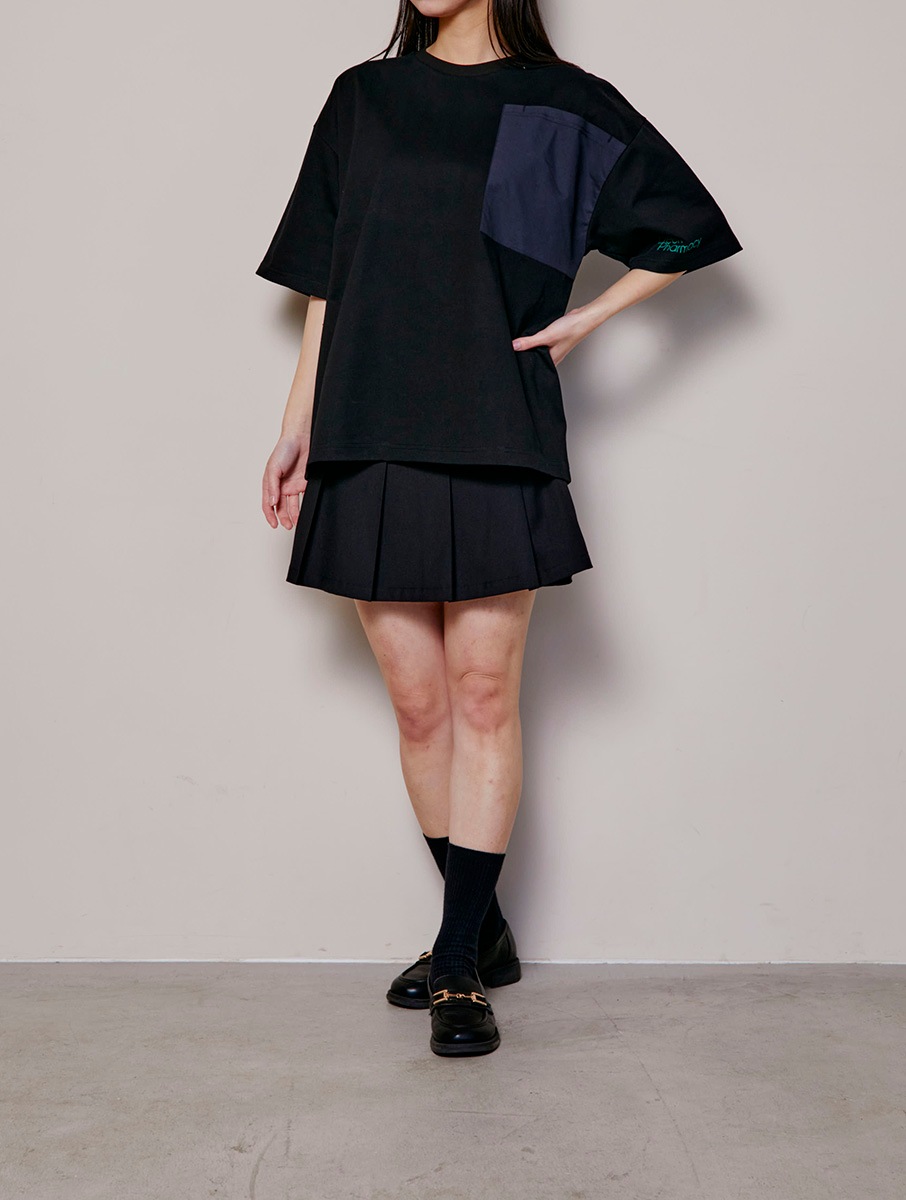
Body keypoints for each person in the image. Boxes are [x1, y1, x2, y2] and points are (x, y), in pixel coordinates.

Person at [255, 0, 742, 1058]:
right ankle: (480, 928)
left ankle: (457, 965)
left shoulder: (560, 104)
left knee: (482, 693)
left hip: (492, 422)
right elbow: (329, 278)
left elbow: (688, 229)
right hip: (367, 424)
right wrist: (297, 424)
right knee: (419, 705)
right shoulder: (366, 97)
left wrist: (590, 318)